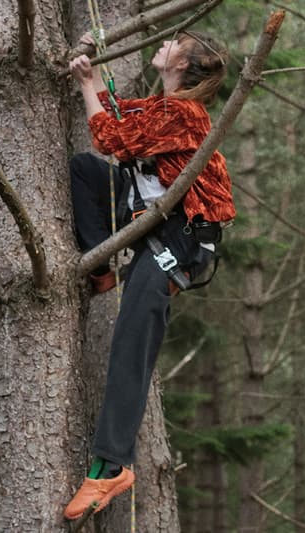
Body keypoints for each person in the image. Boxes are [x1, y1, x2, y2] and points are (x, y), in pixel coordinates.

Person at [64, 30, 235, 521]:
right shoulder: (163, 106)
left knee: (131, 345)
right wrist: (90, 68)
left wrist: (87, 83)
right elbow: (120, 118)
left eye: (176, 41)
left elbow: (110, 138)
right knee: (84, 170)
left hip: (176, 241)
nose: (166, 42)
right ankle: (100, 268)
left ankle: (109, 466)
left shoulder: (184, 113)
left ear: (185, 64)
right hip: (150, 217)